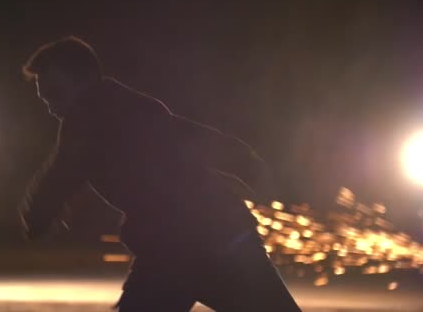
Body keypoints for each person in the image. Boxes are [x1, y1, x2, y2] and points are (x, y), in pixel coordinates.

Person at [18, 36, 301, 311]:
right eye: (45, 99)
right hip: (222, 236)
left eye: (55, 93)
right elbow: (196, 137)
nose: (52, 107)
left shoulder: (85, 117)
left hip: (176, 249)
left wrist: (38, 215)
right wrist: (249, 165)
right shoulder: (140, 106)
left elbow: (63, 172)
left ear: (84, 79)